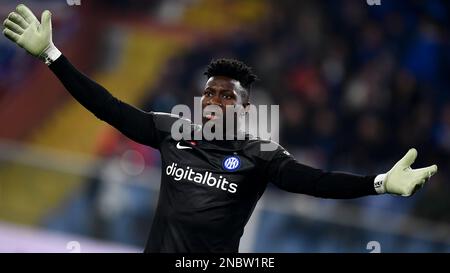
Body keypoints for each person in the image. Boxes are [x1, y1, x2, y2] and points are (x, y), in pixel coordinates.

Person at [2, 4, 438, 253]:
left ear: (245, 107)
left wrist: (379, 183)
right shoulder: (174, 131)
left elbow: (316, 182)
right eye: (210, 93)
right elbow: (108, 108)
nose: (214, 100)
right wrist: (52, 56)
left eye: (227, 95)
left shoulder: (259, 154)